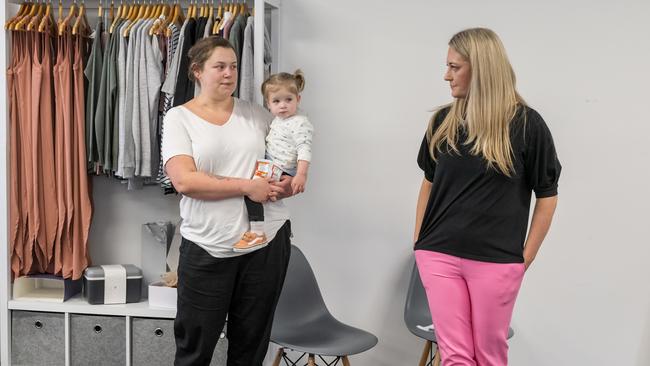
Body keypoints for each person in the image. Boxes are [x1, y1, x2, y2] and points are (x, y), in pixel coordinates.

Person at [413, 28, 561, 366]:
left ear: (480, 68)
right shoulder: (443, 121)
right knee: (455, 356)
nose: (446, 76)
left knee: (489, 356)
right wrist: (419, 241)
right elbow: (429, 183)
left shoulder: (527, 125)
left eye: (454, 67)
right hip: (438, 255)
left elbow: (547, 196)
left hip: (496, 261)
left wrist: (525, 258)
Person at [162, 36, 294, 366]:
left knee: (250, 350)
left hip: (265, 246)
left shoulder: (257, 115)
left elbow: (283, 166)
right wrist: (247, 187)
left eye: (233, 66)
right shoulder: (179, 118)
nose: (228, 74)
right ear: (197, 71)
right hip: (207, 247)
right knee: (194, 350)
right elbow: (184, 180)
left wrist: (286, 184)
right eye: (219, 66)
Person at [233, 70, 314, 252]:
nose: (283, 105)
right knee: (258, 193)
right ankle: (256, 229)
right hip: (273, 163)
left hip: (282, 167)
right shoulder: (278, 120)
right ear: (268, 104)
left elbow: (304, 149)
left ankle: (257, 232)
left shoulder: (299, 122)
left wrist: (301, 175)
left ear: (298, 100)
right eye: (276, 101)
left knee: (252, 192)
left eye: (288, 100)